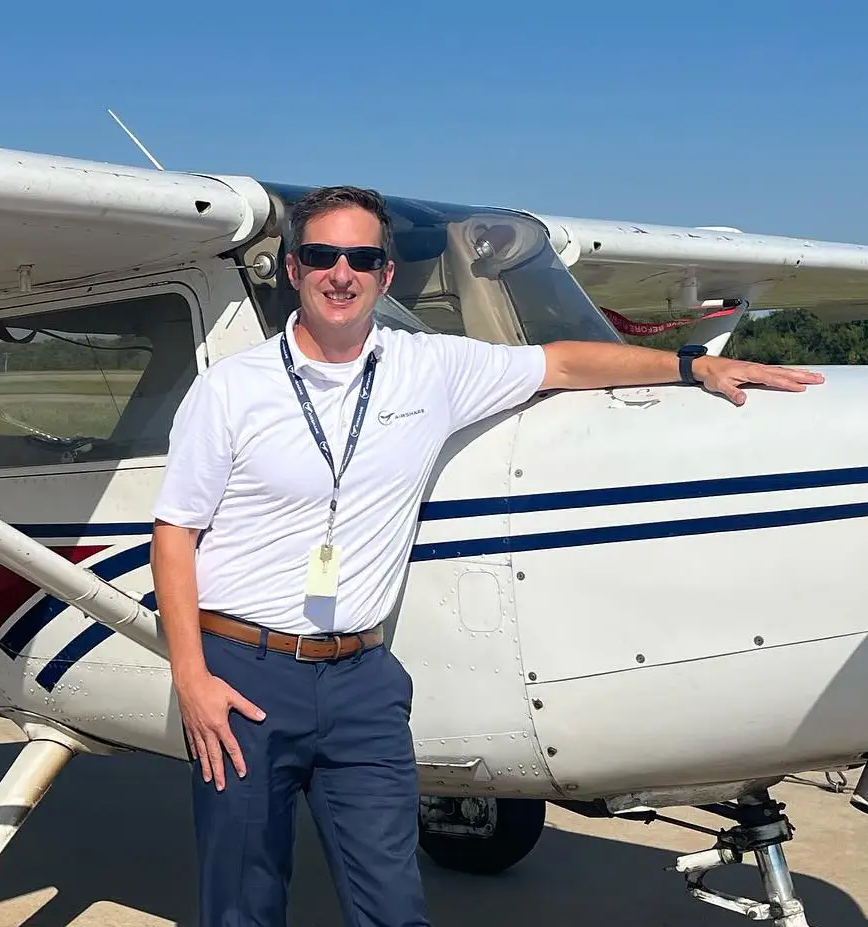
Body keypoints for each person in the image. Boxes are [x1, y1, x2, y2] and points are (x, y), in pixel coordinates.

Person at [149, 184, 822, 926]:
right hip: (245, 673)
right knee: (242, 903)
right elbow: (175, 531)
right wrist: (192, 677)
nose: (342, 273)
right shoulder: (231, 389)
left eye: (362, 258)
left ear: (386, 274)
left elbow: (560, 363)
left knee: (393, 903)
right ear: (293, 269)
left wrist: (693, 368)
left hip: (362, 680)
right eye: (322, 255)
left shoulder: (429, 366)